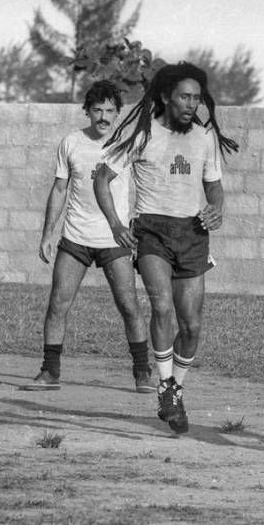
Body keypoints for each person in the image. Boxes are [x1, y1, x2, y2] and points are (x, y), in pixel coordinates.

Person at [94, 63, 238, 434]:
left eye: (196, 97)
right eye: (184, 96)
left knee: (191, 324)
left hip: (192, 233)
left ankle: (175, 390)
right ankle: (165, 384)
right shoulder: (144, 134)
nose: (192, 103)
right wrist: (115, 224)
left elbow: (215, 186)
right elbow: (102, 179)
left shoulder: (204, 138)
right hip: (153, 230)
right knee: (161, 306)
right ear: (165, 97)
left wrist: (216, 209)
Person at [20, 80, 153, 393]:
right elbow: (59, 189)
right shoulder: (71, 142)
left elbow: (149, 183)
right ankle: (50, 371)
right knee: (57, 304)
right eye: (97, 110)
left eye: (110, 110)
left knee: (129, 305)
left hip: (114, 241)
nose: (104, 117)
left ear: (119, 113)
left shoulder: (129, 143)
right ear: (88, 111)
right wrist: (47, 234)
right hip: (76, 238)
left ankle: (142, 372)